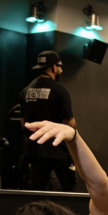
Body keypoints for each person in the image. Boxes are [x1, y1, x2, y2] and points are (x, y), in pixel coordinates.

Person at [20, 51, 78, 192]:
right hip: (57, 149)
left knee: (37, 190)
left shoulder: (26, 91)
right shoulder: (61, 90)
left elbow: (23, 123)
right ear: (53, 67)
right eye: (60, 67)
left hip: (35, 149)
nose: (62, 70)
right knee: (69, 188)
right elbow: (69, 123)